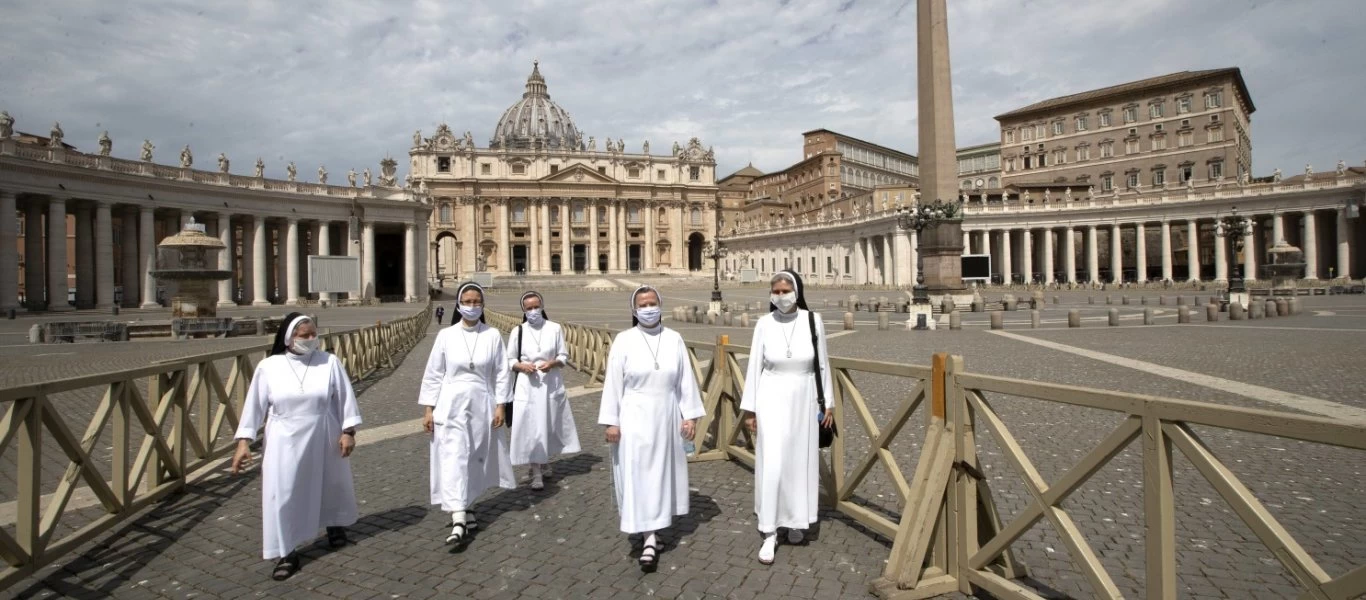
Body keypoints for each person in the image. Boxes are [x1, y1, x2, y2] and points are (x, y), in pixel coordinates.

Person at [231, 313, 361, 580]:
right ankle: (286, 551)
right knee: (284, 492)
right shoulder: (269, 367)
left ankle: (334, 524)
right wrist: (244, 442)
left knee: (329, 483)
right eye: (304, 335)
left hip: (324, 430)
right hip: (284, 438)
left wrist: (348, 431)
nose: (311, 339)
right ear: (289, 338)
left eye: (313, 334)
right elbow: (254, 406)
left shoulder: (329, 361)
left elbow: (345, 398)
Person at [598, 285, 705, 569]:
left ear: (661, 304)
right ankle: (648, 537)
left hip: (667, 416)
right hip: (634, 416)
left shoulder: (674, 338)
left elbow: (685, 380)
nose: (648, 309)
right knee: (639, 474)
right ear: (634, 310)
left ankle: (653, 530)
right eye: (643, 305)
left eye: (652, 303)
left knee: (661, 474)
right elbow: (613, 383)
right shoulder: (624, 340)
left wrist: (690, 416)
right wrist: (611, 421)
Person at [740, 270, 833, 565]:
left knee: (798, 461)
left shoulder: (813, 320)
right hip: (771, 396)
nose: (781, 296)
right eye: (776, 291)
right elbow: (754, 366)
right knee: (773, 462)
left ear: (797, 291)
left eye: (785, 290)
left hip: (805, 398)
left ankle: (795, 521)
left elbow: (822, 364)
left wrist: (828, 403)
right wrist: (750, 410)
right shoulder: (764, 323)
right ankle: (769, 530)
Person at [419, 282, 516, 547]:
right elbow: (434, 373)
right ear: (459, 304)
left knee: (475, 456)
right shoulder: (446, 336)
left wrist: (500, 405)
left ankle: (469, 505)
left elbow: (501, 373)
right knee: (454, 456)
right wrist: (428, 409)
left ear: (482, 305)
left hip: (481, 403)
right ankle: (458, 517)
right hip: (450, 404)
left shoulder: (492, 335)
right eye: (467, 301)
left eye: (476, 302)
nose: (472, 306)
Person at [507, 291, 580, 490]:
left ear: (542, 306)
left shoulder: (554, 328)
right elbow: (510, 359)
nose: (533, 311)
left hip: (550, 383)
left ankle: (544, 461)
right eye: (529, 308)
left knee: (547, 424)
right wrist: (522, 366)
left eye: (536, 307)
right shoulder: (518, 331)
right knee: (531, 427)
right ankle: (536, 472)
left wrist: (553, 363)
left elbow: (563, 356)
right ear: (523, 310)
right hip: (527, 385)